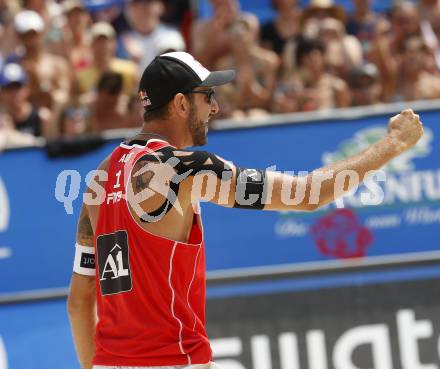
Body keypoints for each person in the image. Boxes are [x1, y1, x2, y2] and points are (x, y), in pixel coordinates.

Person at [67, 51, 424, 369]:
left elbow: (80, 301)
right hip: (172, 359)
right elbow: (308, 194)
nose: (215, 107)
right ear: (180, 103)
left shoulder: (102, 174)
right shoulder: (185, 167)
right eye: (207, 96)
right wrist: (392, 145)